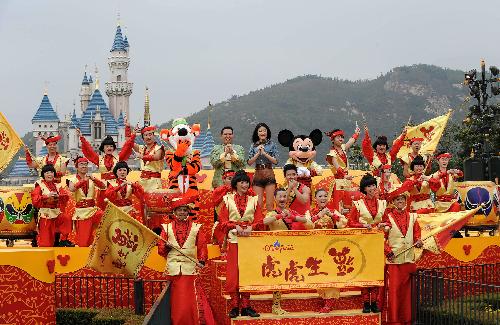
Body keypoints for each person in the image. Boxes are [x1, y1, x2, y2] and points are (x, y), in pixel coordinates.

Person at [157, 194, 215, 325]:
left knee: (189, 300)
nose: (182, 212)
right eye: (179, 210)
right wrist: (166, 246)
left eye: (184, 210)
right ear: (174, 212)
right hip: (173, 270)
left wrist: (202, 260)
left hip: (190, 269)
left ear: (188, 211)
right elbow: (160, 250)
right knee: (176, 301)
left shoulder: (196, 227)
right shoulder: (165, 228)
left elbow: (202, 245)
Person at [215, 170, 262, 318]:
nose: (245, 184)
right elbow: (222, 221)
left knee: (247, 271)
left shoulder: (254, 200)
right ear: (235, 184)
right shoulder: (227, 199)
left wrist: (251, 227)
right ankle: (235, 306)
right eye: (242, 182)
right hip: (234, 240)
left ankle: (246, 306)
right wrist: (234, 226)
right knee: (234, 273)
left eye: (246, 182)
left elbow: (259, 220)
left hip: (249, 241)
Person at [263, 188, 310, 315]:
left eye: (285, 196)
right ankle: (276, 306)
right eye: (280, 196)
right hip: (276, 249)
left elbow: (305, 220)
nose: (283, 199)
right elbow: (265, 222)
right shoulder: (271, 213)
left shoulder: (291, 212)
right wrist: (278, 216)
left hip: (289, 249)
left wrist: (292, 217)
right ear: (275, 198)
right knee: (278, 277)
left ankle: (279, 304)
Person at [382, 189, 423, 325]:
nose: (400, 202)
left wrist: (418, 240)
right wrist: (387, 251)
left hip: (409, 260)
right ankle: (393, 321)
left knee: (408, 293)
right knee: (394, 292)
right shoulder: (387, 218)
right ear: (393, 202)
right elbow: (381, 237)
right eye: (397, 200)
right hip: (394, 261)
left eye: (402, 200)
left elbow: (417, 233)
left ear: (406, 202)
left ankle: (407, 319)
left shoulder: (413, 217)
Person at [348, 174, 387, 313]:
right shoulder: (357, 204)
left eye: (373, 185)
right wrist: (363, 226)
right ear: (364, 189)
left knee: (376, 271)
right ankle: (365, 302)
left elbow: (388, 221)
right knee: (364, 270)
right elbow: (350, 222)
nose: (372, 188)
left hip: (378, 241)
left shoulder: (383, 203)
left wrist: (383, 225)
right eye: (369, 186)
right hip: (364, 242)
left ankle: (375, 302)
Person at [309, 188, 348, 313]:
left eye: (325, 196)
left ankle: (329, 302)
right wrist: (318, 216)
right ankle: (324, 298)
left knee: (331, 273)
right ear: (315, 199)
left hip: (332, 249)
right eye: (320, 196)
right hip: (317, 248)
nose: (323, 198)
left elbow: (344, 223)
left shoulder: (333, 211)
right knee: (321, 273)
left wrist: (332, 215)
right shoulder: (310, 212)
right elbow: (306, 225)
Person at [66, 157, 106, 247]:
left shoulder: (91, 178)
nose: (84, 166)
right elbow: (72, 189)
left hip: (93, 210)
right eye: (81, 164)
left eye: (85, 164)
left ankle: (103, 244)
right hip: (82, 212)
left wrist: (94, 179)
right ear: (77, 167)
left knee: (105, 216)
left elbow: (103, 186)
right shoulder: (71, 179)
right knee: (83, 243)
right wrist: (83, 180)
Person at [31, 164, 69, 247]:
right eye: (47, 172)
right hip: (46, 215)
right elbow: (35, 200)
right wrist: (47, 196)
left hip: (56, 214)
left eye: (51, 172)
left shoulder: (57, 186)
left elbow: (66, 196)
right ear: (43, 175)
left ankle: (64, 239)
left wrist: (58, 196)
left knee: (66, 218)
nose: (49, 174)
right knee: (46, 243)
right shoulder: (40, 186)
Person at [325, 126, 361, 211]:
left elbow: (351, 141)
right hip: (339, 181)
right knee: (339, 204)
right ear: (333, 140)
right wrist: (345, 176)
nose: (341, 139)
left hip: (346, 180)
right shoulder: (332, 153)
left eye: (342, 137)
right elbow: (338, 168)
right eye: (338, 137)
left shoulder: (343, 148)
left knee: (348, 202)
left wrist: (356, 133)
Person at [247, 123, 279, 211]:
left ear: (267, 132)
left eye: (264, 130)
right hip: (258, 174)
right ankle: (259, 224)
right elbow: (249, 162)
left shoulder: (272, 145)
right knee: (258, 205)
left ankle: (270, 224)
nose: (262, 132)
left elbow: (276, 161)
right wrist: (258, 153)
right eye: (260, 131)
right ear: (257, 133)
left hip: (269, 173)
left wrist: (265, 153)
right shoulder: (253, 146)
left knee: (269, 205)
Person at [133, 126, 165, 192]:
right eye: (146, 135)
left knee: (154, 201)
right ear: (143, 138)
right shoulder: (142, 148)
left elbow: (157, 157)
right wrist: (131, 132)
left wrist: (142, 157)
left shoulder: (159, 148)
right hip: (143, 182)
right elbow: (129, 143)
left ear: (154, 136)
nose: (148, 137)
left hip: (154, 182)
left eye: (150, 134)